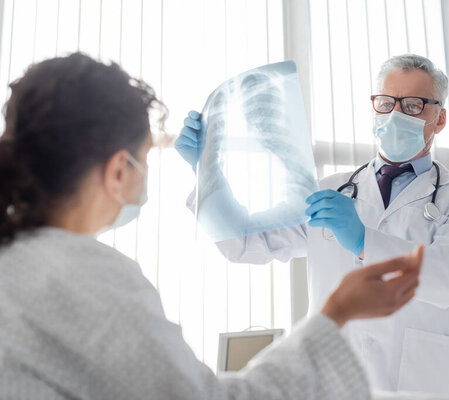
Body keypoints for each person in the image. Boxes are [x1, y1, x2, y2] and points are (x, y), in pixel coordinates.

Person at [0, 53, 424, 399]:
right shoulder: (86, 277)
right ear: (116, 172)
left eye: (414, 104)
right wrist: (337, 314)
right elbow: (243, 243)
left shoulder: (16, 257)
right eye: (143, 158)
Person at [176, 54, 449, 395]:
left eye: (413, 105)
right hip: (337, 382)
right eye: (386, 103)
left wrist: (362, 240)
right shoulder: (329, 191)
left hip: (418, 383)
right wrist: (205, 170)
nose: (395, 114)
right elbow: (245, 243)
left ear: (439, 118)